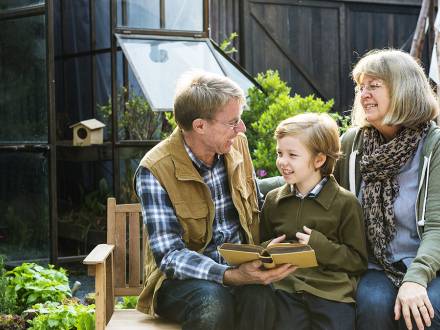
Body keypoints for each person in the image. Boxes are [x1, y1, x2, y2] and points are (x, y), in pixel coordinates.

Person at [134, 71, 295, 330]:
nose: (241, 129)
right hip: (180, 282)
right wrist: (229, 276)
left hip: (241, 266)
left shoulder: (237, 145)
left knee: (261, 297)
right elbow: (170, 256)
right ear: (200, 126)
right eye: (233, 122)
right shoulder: (155, 169)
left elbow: (258, 205)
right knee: (213, 300)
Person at [334, 49, 440, 330]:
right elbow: (313, 177)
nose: (363, 94)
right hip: (376, 264)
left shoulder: (434, 146)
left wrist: (416, 278)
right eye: (360, 87)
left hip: (430, 263)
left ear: (404, 90)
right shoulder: (353, 144)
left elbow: (437, 227)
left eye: (374, 86)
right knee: (373, 305)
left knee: (426, 309)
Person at [260, 113, 368, 330]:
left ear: (319, 160)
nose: (282, 161)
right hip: (286, 289)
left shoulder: (346, 203)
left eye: (292, 155)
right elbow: (261, 244)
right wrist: (266, 252)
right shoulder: (273, 201)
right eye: (279, 153)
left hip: (332, 292)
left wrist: (319, 247)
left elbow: (357, 261)